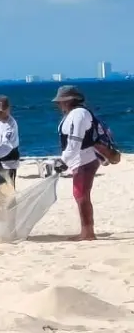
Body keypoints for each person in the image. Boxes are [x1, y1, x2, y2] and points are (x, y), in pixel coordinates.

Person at [54, 85, 99, 241]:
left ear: (68, 101)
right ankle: (86, 231)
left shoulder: (78, 114)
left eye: (60, 102)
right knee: (80, 195)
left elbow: (74, 142)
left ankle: (88, 233)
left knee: (81, 196)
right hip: (80, 160)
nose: (58, 105)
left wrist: (63, 161)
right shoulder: (75, 114)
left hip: (84, 161)